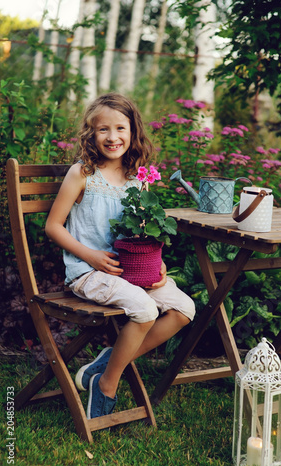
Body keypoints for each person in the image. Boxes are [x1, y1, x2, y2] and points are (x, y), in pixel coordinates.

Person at [45, 93, 195, 419]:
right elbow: (53, 227)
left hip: (131, 271)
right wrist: (93, 257)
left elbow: (143, 234)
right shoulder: (82, 173)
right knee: (143, 309)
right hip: (88, 272)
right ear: (91, 134)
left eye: (120, 128)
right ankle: (108, 384)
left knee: (185, 308)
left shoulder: (137, 178)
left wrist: (158, 265)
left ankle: (107, 363)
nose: (113, 137)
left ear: (133, 131)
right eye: (103, 130)